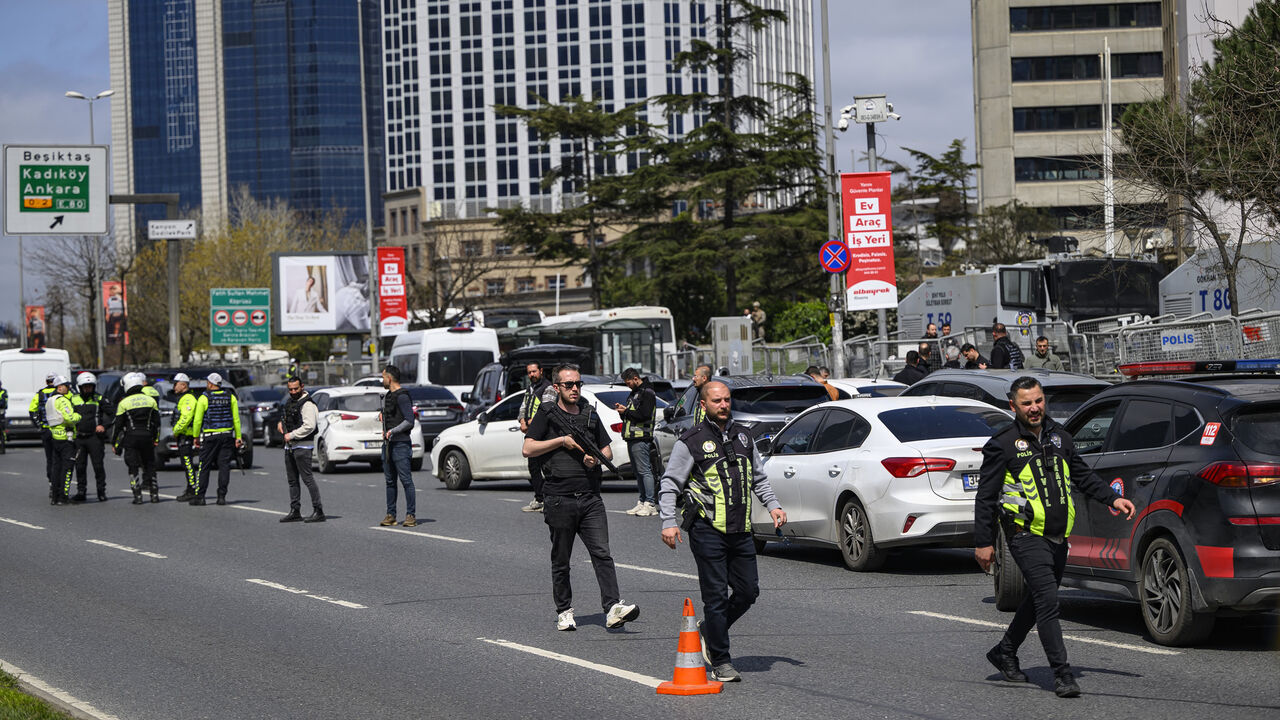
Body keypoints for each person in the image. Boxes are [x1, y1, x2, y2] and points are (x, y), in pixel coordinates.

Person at [974, 377, 1135, 698]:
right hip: (1024, 535)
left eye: (1038, 401)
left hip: (1058, 536)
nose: (1034, 408)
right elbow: (986, 497)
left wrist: (1112, 498)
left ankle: (1005, 650)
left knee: (1037, 599)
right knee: (1048, 601)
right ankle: (1061, 674)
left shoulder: (1060, 437)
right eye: (1026, 403)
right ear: (1013, 406)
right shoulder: (1003, 444)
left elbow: (1082, 474)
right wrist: (983, 541)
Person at [658, 379, 787, 683]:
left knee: (748, 591)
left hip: (741, 530)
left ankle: (709, 630)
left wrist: (773, 505)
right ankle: (721, 659)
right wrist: (668, 521)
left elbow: (758, 477)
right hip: (706, 529)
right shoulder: (689, 440)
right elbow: (669, 484)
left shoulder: (744, 436)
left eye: (727, 400)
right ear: (703, 405)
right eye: (717, 401)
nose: (724, 405)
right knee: (715, 597)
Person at [522, 364, 639, 632]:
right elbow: (528, 448)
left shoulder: (589, 411)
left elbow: (607, 450)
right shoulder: (547, 413)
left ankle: (612, 607)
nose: (575, 388)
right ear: (557, 388)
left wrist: (593, 458)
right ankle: (564, 610)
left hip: (590, 496)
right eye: (569, 385)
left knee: (602, 554)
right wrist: (561, 441)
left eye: (578, 383)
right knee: (561, 559)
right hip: (559, 497)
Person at [278, 376, 325, 523]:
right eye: (290, 389)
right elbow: (287, 418)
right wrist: (281, 424)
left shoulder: (307, 404)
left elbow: (309, 426)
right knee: (292, 481)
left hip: (303, 446)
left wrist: (291, 435)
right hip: (290, 446)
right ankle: (295, 510)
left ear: (302, 387)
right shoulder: (291, 402)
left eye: (295, 389)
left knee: (307, 479)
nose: (292, 391)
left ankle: (318, 511)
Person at [191, 372, 242, 506]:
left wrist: (195, 436)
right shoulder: (230, 397)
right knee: (224, 466)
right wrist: (238, 437)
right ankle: (221, 496)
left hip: (210, 437)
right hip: (226, 436)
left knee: (204, 466)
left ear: (210, 383)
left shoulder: (204, 398)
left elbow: (197, 420)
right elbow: (236, 419)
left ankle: (200, 497)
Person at [614, 368, 659, 517]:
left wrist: (625, 412)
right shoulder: (635, 392)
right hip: (632, 436)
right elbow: (632, 415)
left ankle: (650, 503)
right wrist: (623, 412)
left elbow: (644, 415)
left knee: (644, 470)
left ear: (635, 378)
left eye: (628, 382)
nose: (627, 386)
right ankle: (642, 501)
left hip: (641, 436)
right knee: (638, 471)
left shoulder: (647, 392)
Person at [113, 372, 161, 504]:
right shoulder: (150, 400)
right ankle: (154, 495)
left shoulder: (124, 403)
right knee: (149, 465)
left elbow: (118, 426)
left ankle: (137, 496)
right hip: (147, 437)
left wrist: (115, 443)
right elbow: (157, 423)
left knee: (133, 467)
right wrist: (156, 439)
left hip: (131, 438)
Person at [379, 365, 417, 527]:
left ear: (389, 378)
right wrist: (382, 417)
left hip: (400, 445)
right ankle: (391, 515)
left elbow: (409, 420)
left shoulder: (402, 396)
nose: (382, 381)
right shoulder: (389, 395)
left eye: (383, 377)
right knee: (390, 482)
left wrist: (393, 431)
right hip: (388, 445)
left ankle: (410, 515)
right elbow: (393, 415)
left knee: (406, 481)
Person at [70, 372, 113, 503]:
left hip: (95, 438)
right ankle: (81, 491)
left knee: (98, 466)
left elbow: (114, 414)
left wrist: (104, 426)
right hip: (79, 438)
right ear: (80, 387)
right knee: (80, 466)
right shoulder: (73, 399)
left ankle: (101, 491)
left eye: (90, 386)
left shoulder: (99, 399)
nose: (88, 389)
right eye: (85, 387)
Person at [519, 362, 554, 513]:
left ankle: (550, 500)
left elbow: (548, 408)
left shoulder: (548, 387)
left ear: (541, 370)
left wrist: (532, 422)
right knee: (533, 468)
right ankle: (539, 498)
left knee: (547, 468)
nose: (532, 375)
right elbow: (523, 407)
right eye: (529, 372)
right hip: (531, 434)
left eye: (534, 371)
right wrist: (522, 421)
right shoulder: (530, 388)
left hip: (544, 434)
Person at [47, 376, 81, 505]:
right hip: (66, 439)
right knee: (67, 469)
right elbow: (70, 417)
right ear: (60, 387)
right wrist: (79, 415)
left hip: (55, 437)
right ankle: (63, 496)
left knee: (56, 468)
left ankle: (55, 496)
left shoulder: (50, 400)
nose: (68, 388)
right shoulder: (63, 401)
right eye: (67, 385)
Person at [171, 373, 200, 501]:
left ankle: (192, 489)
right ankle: (190, 488)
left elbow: (186, 417)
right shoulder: (183, 397)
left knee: (187, 463)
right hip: (185, 435)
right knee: (186, 463)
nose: (174, 387)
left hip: (187, 436)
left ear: (183, 385)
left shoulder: (188, 398)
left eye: (175, 384)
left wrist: (176, 430)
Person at [29, 374, 59, 498]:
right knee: (60, 458)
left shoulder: (39, 394)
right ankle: (60, 485)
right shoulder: (61, 393)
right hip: (59, 430)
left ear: (46, 381)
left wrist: (39, 425)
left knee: (50, 458)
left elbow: (32, 411)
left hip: (46, 430)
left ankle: (52, 483)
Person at [0, 379, 8, 454]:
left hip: (1, 414)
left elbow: (3, 404)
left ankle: (2, 448)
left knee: (2, 431)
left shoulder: (3, 392)